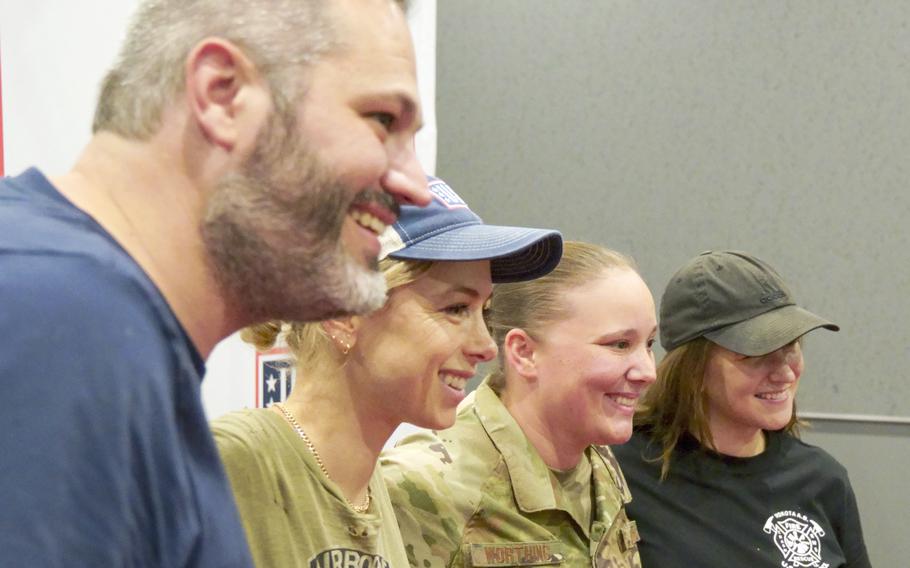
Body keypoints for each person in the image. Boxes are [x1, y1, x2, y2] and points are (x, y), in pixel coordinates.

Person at [0, 0, 432, 565]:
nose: (416, 186)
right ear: (223, 94)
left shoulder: (94, 322)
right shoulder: (60, 322)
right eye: (382, 120)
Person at [211, 176, 562, 567]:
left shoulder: (370, 487)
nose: (484, 346)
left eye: (485, 311)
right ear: (343, 314)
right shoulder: (236, 462)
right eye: (455, 309)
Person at [382, 241, 657, 567]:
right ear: (524, 353)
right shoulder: (425, 487)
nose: (648, 372)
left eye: (650, 343)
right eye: (619, 344)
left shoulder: (597, 465)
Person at [612, 250, 871, 568]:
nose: (785, 373)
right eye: (757, 353)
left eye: (790, 347)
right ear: (693, 368)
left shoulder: (822, 478)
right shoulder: (618, 472)